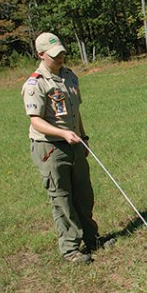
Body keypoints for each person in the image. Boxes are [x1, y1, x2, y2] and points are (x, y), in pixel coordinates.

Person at [22, 32, 106, 264]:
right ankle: (70, 249)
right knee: (62, 198)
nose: (60, 58)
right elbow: (35, 120)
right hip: (50, 147)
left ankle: (92, 238)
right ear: (40, 55)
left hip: (75, 143)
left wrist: (83, 136)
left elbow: (75, 112)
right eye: (54, 55)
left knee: (84, 194)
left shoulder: (70, 77)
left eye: (61, 54)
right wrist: (62, 133)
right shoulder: (35, 83)